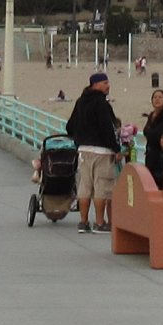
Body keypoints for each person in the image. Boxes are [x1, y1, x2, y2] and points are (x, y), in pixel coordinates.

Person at [64, 71, 121, 234]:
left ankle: (83, 222)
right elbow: (107, 128)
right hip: (101, 151)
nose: (108, 86)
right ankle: (100, 222)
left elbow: (69, 126)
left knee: (85, 186)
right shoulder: (102, 104)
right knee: (102, 186)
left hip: (83, 150)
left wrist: (79, 138)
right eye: (105, 83)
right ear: (95, 84)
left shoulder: (81, 102)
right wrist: (116, 148)